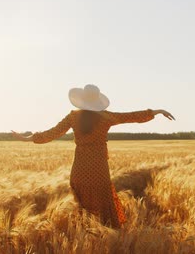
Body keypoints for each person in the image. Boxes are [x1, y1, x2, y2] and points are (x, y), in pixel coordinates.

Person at [11, 84, 174, 228]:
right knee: (102, 200)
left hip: (80, 167)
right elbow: (130, 116)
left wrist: (28, 138)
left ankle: (84, 231)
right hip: (99, 167)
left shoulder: (73, 116)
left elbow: (53, 133)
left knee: (82, 203)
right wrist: (155, 111)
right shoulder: (105, 117)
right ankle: (107, 231)